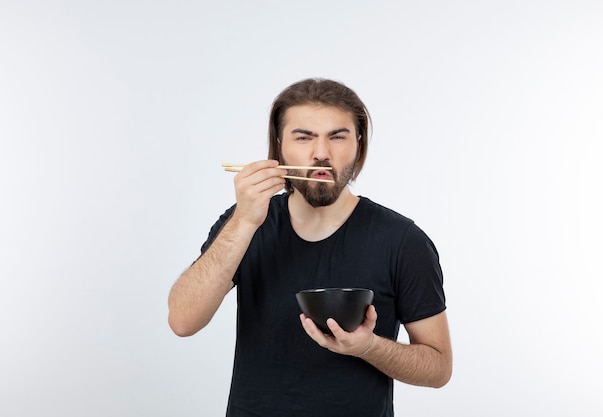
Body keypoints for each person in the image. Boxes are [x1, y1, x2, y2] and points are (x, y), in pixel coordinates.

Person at [168, 78, 452, 417]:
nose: (321, 153)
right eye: (303, 137)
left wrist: (369, 346)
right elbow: (183, 321)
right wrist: (244, 221)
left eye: (338, 136)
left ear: (358, 145)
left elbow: (438, 368)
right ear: (279, 147)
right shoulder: (246, 222)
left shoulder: (402, 240)